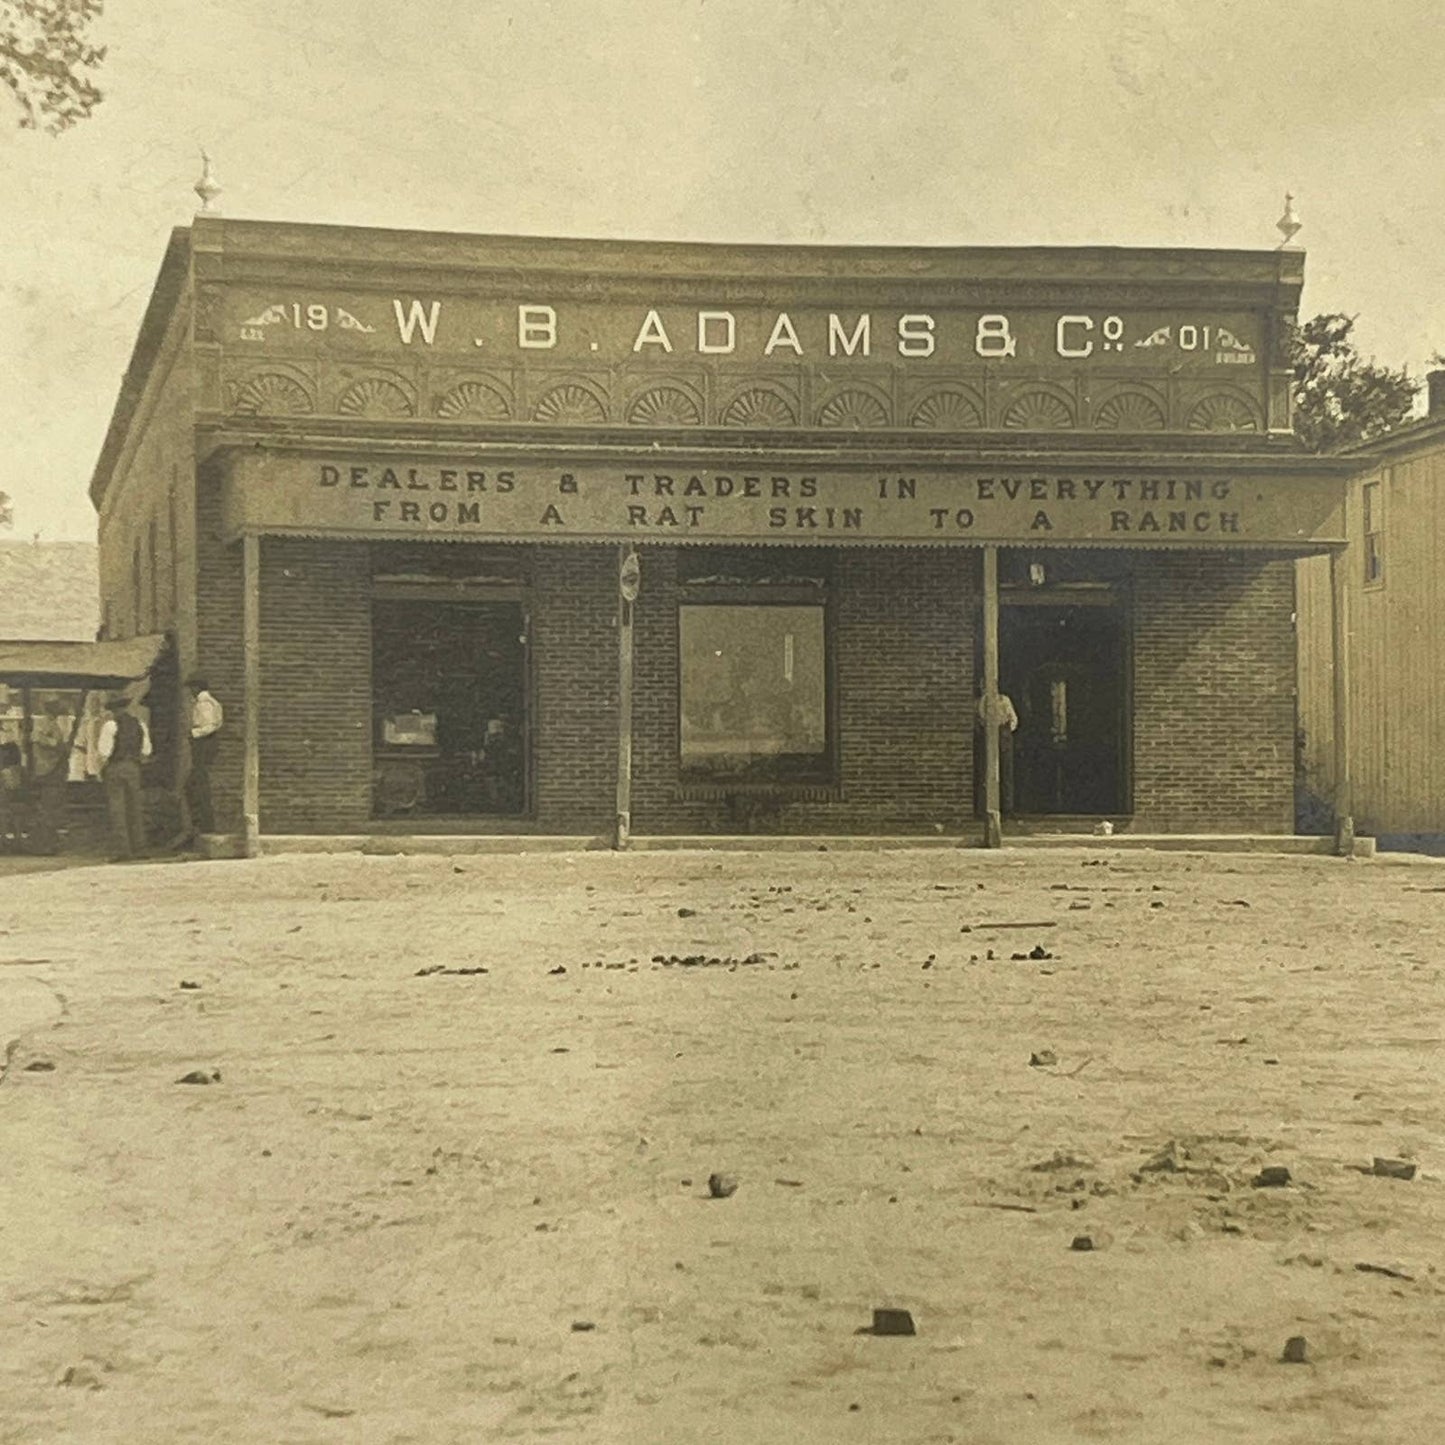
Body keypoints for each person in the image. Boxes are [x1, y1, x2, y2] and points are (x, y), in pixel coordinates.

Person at [97, 695, 152, 860]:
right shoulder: (139, 724)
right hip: (134, 768)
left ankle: (122, 850)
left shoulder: (110, 726)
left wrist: (102, 768)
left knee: (117, 808)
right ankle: (140, 848)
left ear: (113, 710)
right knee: (135, 806)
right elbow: (146, 751)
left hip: (116, 767)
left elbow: (104, 752)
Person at [30, 697, 71, 855]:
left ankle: (49, 843)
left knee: (52, 809)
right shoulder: (42, 724)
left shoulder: (53, 723)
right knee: (48, 809)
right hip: (48, 771)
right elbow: (48, 742)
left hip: (53, 771)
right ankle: (44, 845)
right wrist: (60, 746)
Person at [185, 677, 223, 840]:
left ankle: (205, 825)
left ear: (197, 687)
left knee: (199, 782)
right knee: (196, 782)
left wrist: (194, 734)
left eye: (192, 688)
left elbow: (211, 725)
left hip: (204, 744)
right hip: (203, 743)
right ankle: (201, 824)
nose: (190, 692)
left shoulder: (204, 703)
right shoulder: (209, 702)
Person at [975, 687, 1019, 817]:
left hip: (1003, 735)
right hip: (989, 734)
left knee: (1006, 771)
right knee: (986, 772)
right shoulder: (983, 701)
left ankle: (1007, 807)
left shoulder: (1004, 700)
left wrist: (1005, 730)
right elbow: (981, 717)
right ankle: (984, 807)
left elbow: (1013, 719)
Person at [0, 741, 23, 852]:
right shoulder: (20, 770)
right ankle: (17, 839)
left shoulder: (6, 772)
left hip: (10, 801)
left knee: (3, 812)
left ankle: (4, 838)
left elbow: (10, 787)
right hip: (19, 801)